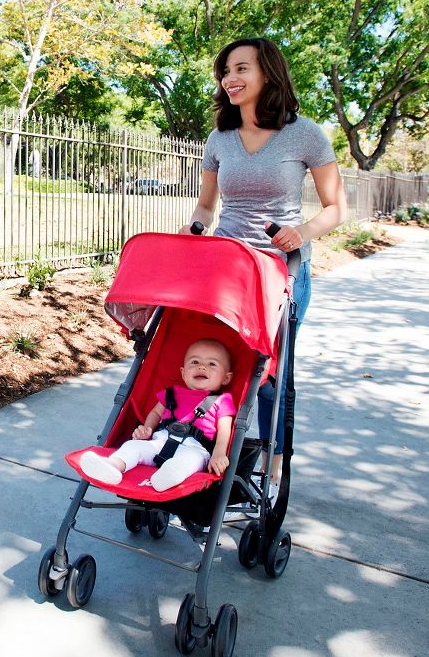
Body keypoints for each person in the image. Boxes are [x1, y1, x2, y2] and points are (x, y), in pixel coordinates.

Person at [179, 37, 347, 499]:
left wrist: (302, 231)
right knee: (217, 361)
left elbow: (336, 208)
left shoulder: (305, 134)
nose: (230, 79)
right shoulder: (220, 138)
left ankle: (273, 461)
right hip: (227, 272)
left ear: (267, 74)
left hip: (282, 272)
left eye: (240, 69)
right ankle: (203, 442)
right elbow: (207, 204)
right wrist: (195, 227)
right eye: (225, 72)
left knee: (272, 376)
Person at [79, 339, 237, 492]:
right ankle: (112, 466)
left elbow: (224, 429)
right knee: (133, 446)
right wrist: (147, 429)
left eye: (212, 364)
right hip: (159, 442)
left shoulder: (222, 400)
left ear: (226, 378)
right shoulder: (171, 393)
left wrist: (219, 453)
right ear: (183, 372)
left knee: (192, 459)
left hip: (195, 447)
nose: (202, 367)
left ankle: (170, 475)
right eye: (194, 362)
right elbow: (155, 412)